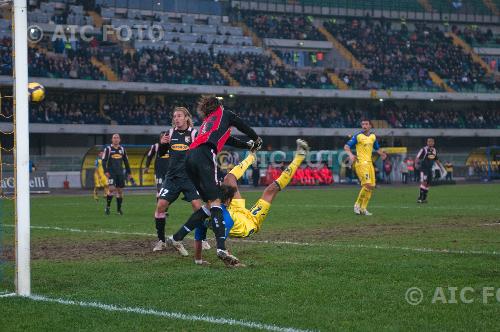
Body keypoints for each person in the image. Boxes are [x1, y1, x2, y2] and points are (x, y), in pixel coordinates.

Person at [168, 139, 310, 266]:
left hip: (234, 210)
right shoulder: (222, 219)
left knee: (229, 178)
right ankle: (300, 156)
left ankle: (251, 157)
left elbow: (199, 231)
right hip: (249, 223)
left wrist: (198, 259)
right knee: (271, 190)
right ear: (228, 200)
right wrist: (234, 264)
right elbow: (221, 244)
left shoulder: (210, 209)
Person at [166, 95, 262, 266]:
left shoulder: (209, 123)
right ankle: (221, 248)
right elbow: (243, 125)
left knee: (210, 205)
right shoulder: (225, 113)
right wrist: (256, 139)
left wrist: (248, 145)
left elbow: (229, 140)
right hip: (204, 156)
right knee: (217, 201)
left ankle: (176, 237)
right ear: (219, 105)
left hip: (191, 158)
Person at [150, 107, 209, 252]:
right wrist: (163, 145)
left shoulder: (194, 134)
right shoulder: (169, 133)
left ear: (186, 118)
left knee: (198, 207)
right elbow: (162, 154)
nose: (176, 118)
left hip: (189, 178)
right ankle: (161, 241)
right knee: (160, 207)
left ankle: (202, 238)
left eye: (179, 116)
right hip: (172, 178)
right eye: (174, 116)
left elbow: (201, 153)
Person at [344, 119, 387, 216]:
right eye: (363, 124)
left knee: (371, 186)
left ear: (370, 126)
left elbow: (377, 148)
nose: (364, 126)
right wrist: (350, 155)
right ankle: (357, 205)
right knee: (367, 185)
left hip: (369, 163)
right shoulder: (358, 136)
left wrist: (382, 154)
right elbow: (346, 146)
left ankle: (363, 208)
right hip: (361, 163)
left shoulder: (373, 136)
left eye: (366, 124)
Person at [102, 134, 131, 215]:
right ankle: (107, 207)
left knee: (120, 191)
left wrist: (129, 172)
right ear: (112, 140)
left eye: (117, 138)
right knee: (111, 189)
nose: (116, 139)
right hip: (111, 172)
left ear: (120, 140)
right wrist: (105, 171)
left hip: (120, 173)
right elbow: (104, 161)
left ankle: (119, 210)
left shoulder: (122, 149)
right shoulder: (108, 149)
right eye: (114, 138)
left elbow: (126, 162)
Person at [144, 131, 170, 195]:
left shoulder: (171, 146)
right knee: (160, 189)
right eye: (162, 136)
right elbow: (149, 156)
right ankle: (159, 204)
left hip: (169, 171)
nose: (164, 138)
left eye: (165, 136)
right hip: (159, 171)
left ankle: (164, 204)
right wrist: (147, 167)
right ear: (160, 138)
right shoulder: (155, 146)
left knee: (167, 190)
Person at [416, 138, 440, 203]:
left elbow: (436, 159)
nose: (430, 143)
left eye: (432, 142)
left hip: (430, 169)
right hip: (424, 169)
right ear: (427, 143)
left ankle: (424, 198)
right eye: (429, 142)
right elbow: (418, 157)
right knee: (424, 182)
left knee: (428, 184)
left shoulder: (434, 150)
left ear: (434, 143)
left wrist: (441, 167)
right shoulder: (424, 149)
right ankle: (420, 198)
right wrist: (416, 164)